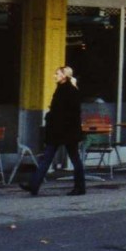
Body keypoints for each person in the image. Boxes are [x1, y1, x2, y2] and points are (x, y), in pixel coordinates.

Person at [20, 66, 85, 197]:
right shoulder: (65, 89)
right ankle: (34, 185)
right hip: (62, 131)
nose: (54, 76)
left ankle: (79, 187)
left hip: (64, 131)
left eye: (57, 74)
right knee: (50, 157)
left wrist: (52, 118)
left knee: (70, 159)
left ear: (64, 76)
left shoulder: (69, 91)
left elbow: (69, 113)